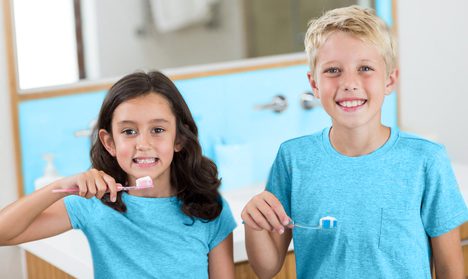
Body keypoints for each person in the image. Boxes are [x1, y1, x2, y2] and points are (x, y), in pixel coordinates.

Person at [241, 5, 467, 279]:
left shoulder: (426, 160)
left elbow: (450, 270)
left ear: (390, 80)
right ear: (314, 84)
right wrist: (254, 222)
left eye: (365, 68)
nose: (349, 82)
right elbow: (267, 267)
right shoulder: (293, 159)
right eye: (333, 70)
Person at [0, 71, 236, 278]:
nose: (143, 143)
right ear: (109, 142)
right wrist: (62, 185)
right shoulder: (94, 204)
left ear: (179, 139)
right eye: (129, 131)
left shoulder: (209, 206)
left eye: (158, 130)